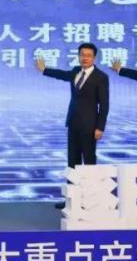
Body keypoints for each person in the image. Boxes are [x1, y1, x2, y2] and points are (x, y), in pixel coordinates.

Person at [36, 42, 109, 209]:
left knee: (89, 162)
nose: (85, 58)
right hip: (73, 123)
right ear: (78, 56)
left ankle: (90, 200)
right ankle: (71, 199)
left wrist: (100, 127)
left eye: (88, 55)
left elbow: (104, 105)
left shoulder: (101, 77)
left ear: (94, 57)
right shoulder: (76, 71)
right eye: (82, 55)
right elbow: (63, 75)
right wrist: (45, 70)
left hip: (90, 126)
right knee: (72, 163)